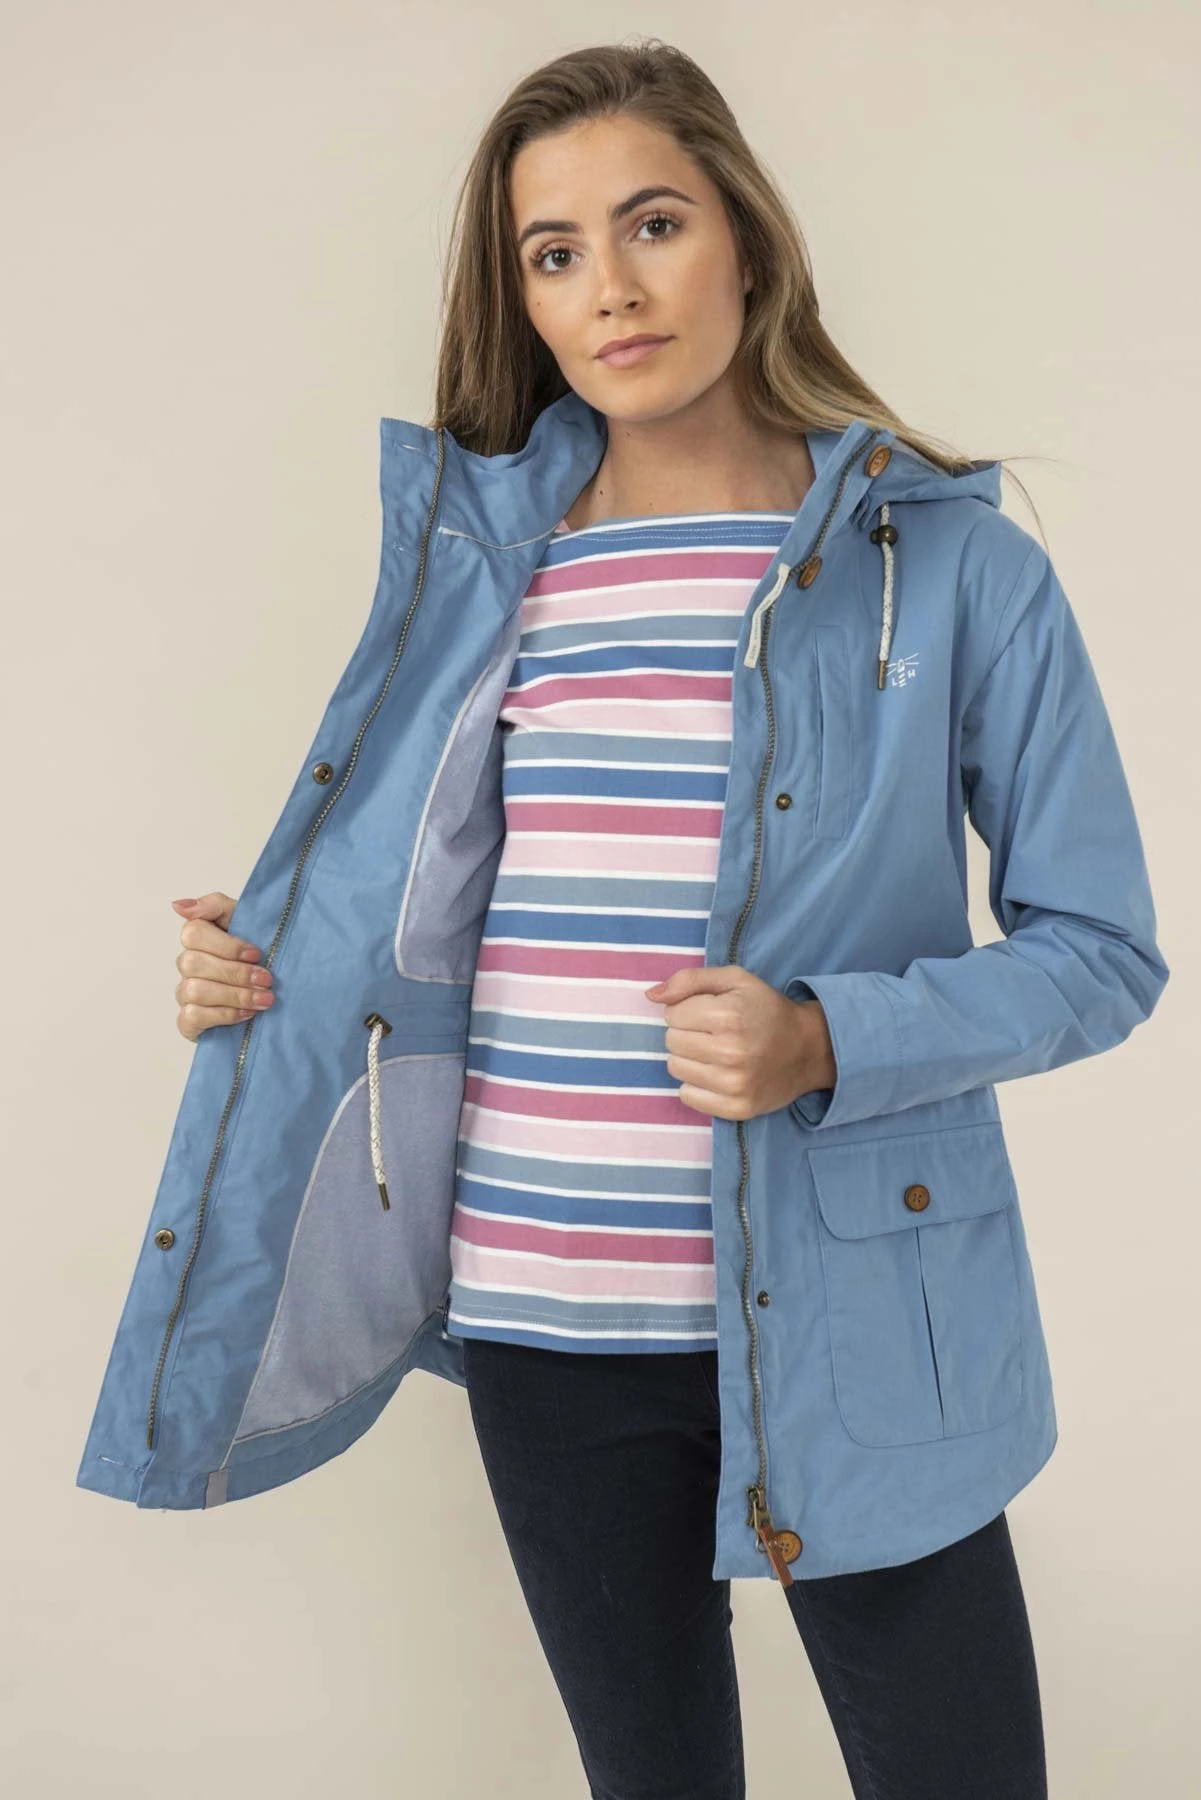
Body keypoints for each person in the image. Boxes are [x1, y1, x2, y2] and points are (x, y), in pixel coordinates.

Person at [100, 38, 1167, 1800]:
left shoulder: (953, 567)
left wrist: (825, 1036)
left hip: (861, 1304)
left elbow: (1102, 950)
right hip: (544, 1317)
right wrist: (254, 968)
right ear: (522, 297)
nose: (611, 286)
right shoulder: (476, 576)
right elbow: (410, 920)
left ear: (745, 234)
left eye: (653, 222)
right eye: (555, 251)